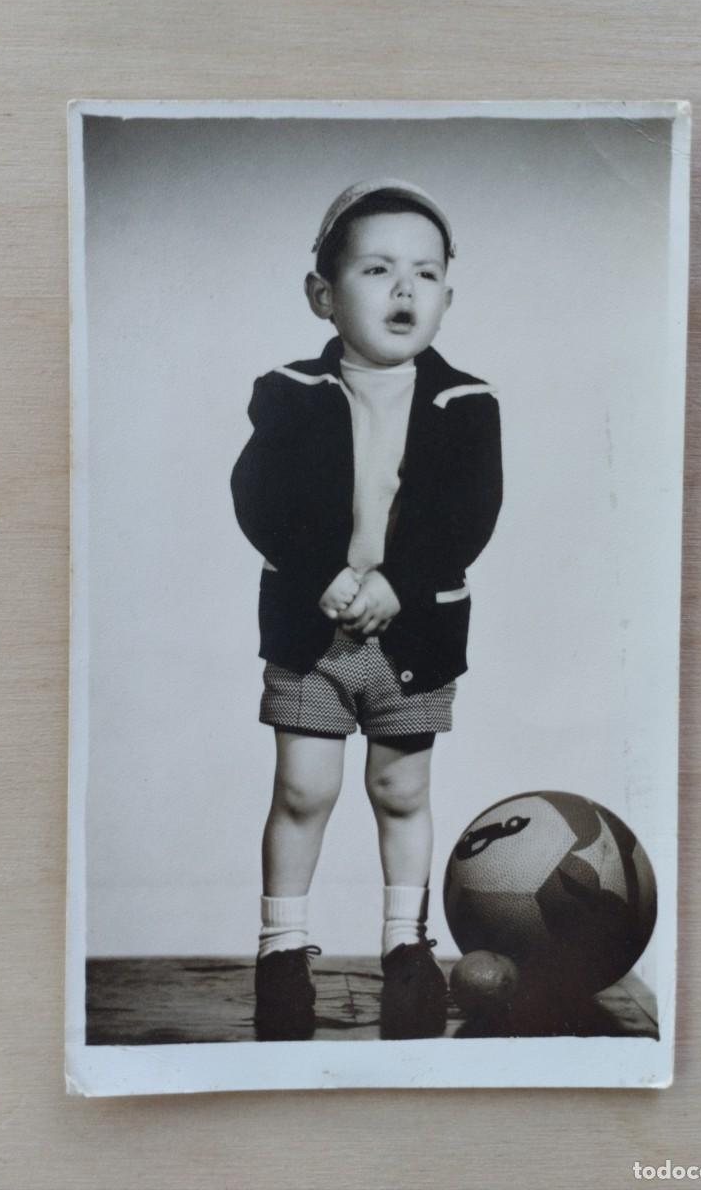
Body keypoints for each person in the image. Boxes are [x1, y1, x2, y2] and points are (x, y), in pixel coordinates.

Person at [231, 179, 502, 1040]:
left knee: (400, 785)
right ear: (323, 293)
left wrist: (403, 581)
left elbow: (469, 510)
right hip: (314, 635)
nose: (403, 291)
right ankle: (282, 951)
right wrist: (319, 572)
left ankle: (405, 948)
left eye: (425, 274)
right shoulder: (288, 391)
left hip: (414, 635)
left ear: (447, 297)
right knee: (304, 786)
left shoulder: (466, 402)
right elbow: (258, 495)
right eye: (378, 269)